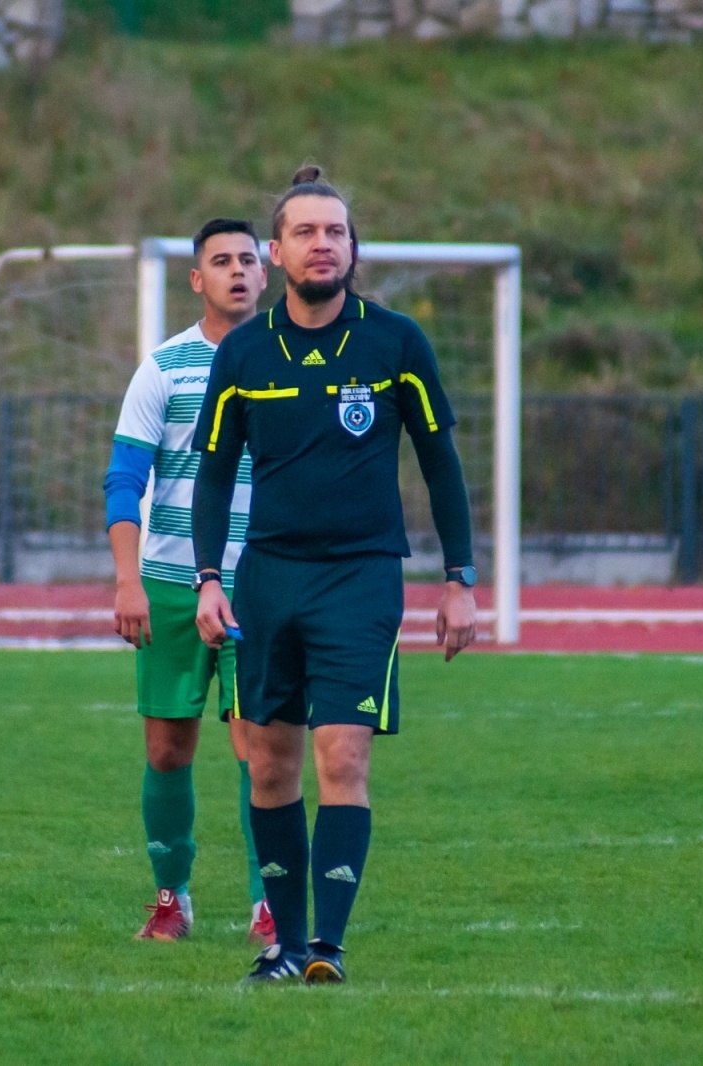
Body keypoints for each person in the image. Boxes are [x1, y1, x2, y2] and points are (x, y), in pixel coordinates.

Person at [190, 167, 479, 985]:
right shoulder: (244, 351)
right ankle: (284, 946)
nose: (324, 244)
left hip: (361, 579)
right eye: (306, 232)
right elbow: (214, 472)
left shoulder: (396, 342)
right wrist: (208, 578)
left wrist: (460, 578)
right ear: (276, 253)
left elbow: (441, 462)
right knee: (269, 765)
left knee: (343, 758)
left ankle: (328, 948)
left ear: (355, 249)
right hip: (268, 581)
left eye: (336, 232)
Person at [103, 217, 275, 945]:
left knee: (261, 751)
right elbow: (124, 479)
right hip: (171, 585)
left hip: (260, 587)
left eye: (247, 259)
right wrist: (127, 581)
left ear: (265, 273)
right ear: (197, 279)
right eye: (221, 261)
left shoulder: (293, 362)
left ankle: (270, 904)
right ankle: (171, 898)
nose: (237, 270)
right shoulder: (165, 368)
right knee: (167, 752)